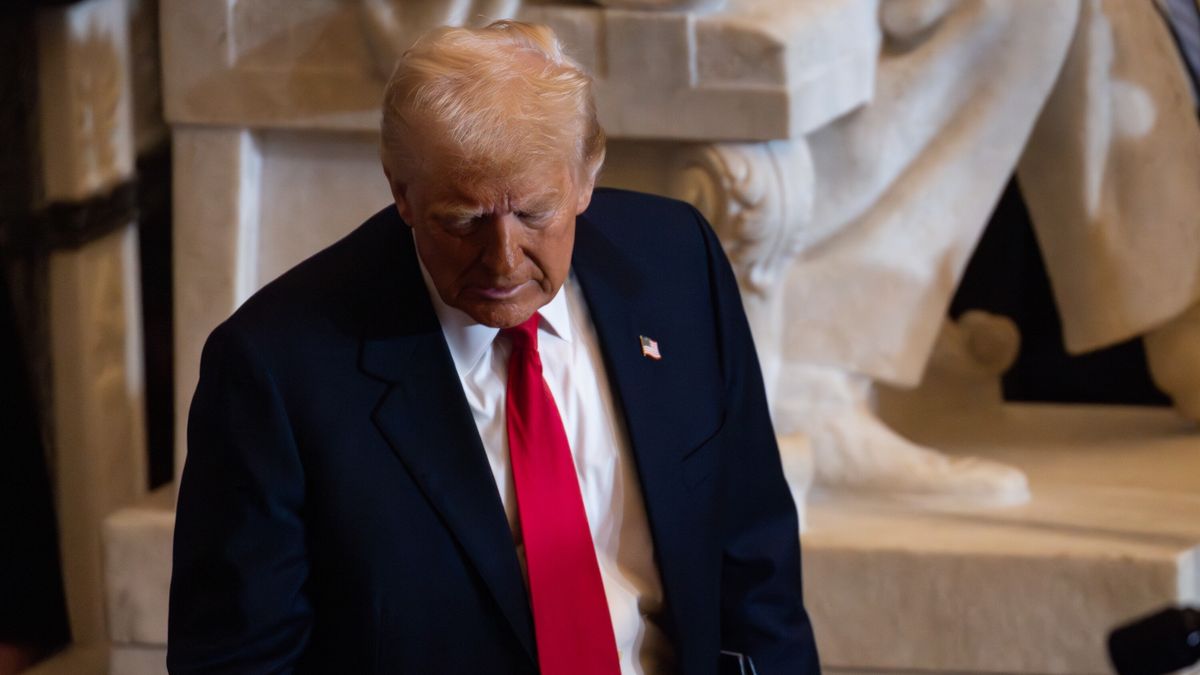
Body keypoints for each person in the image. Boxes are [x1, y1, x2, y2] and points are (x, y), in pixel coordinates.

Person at [168, 20, 819, 675]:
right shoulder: (275, 369)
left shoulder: (677, 263)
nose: (503, 260)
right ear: (401, 191)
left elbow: (755, 566)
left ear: (584, 178)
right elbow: (237, 662)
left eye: (535, 213)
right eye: (463, 221)